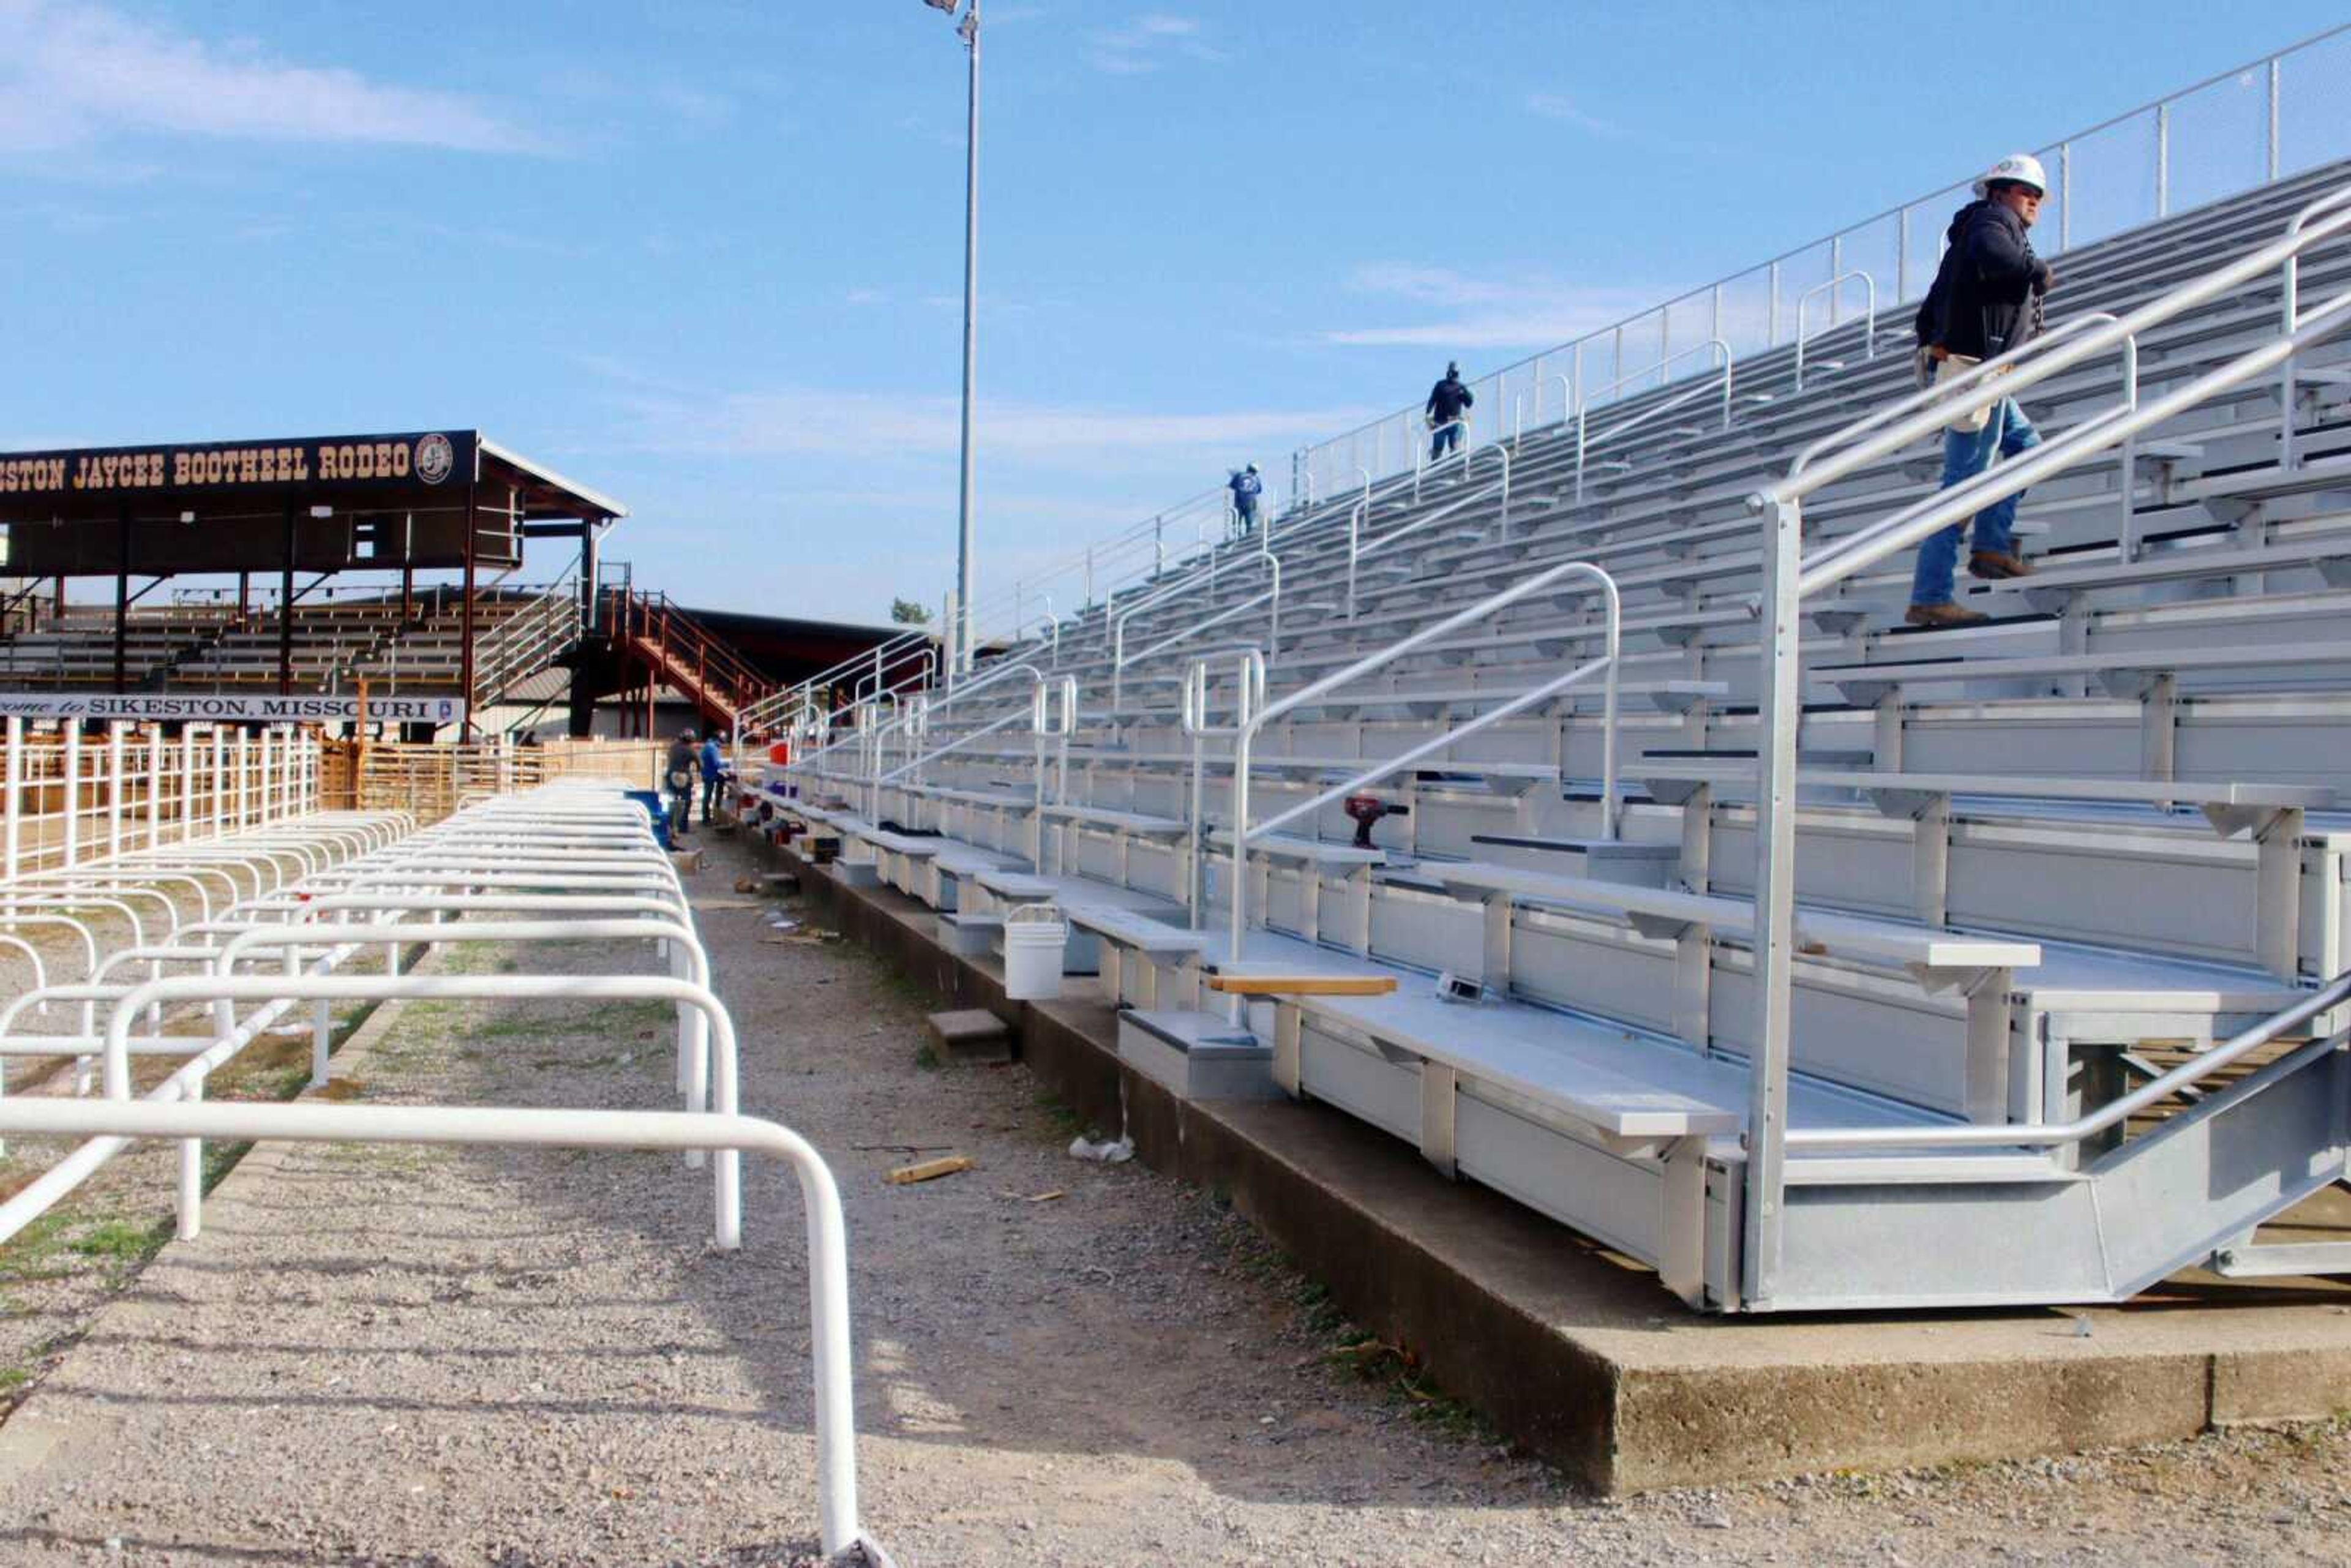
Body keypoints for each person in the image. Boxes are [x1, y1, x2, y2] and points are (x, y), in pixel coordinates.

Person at [1906, 152, 2057, 629]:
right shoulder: (1993, 221)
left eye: (2036, 195)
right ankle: (1930, 596)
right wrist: (2036, 271)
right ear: (1997, 192)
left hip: (1984, 369)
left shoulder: (1976, 228)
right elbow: (1997, 255)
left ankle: (1991, 546)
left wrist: (1935, 345)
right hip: (1978, 370)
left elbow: (1929, 308)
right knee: (1963, 485)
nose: (2030, 201)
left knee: (2027, 449)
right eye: (2022, 191)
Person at [1426, 361, 1474, 461]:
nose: (1453, 375)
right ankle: (1435, 467)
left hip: (1455, 421)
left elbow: (1469, 404)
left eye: (1456, 373)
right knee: (1438, 448)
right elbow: (1433, 400)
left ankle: (1454, 466)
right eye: (1452, 372)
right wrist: (1428, 414)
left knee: (1455, 446)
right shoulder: (1440, 385)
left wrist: (1466, 394)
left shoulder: (1461, 387)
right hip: (1440, 421)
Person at [664, 727, 700, 840]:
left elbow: (669, 758)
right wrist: (698, 771)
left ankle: (669, 825)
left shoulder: (673, 747)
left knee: (670, 801)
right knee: (686, 802)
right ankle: (683, 827)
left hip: (671, 776)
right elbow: (699, 763)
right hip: (684, 777)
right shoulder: (690, 750)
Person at [1226, 463, 1262, 539]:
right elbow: (1259, 490)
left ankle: (1238, 538)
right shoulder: (1257, 479)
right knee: (1249, 523)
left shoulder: (1239, 475)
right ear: (1256, 471)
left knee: (1236, 523)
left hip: (1239, 502)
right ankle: (1248, 538)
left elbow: (1232, 486)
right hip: (1251, 503)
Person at [699, 730, 726, 823]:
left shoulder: (709, 745)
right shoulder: (713, 747)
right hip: (710, 774)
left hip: (707, 773)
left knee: (707, 795)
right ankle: (710, 816)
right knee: (708, 796)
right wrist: (728, 764)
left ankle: (708, 816)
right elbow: (716, 764)